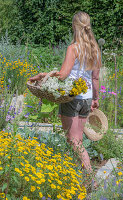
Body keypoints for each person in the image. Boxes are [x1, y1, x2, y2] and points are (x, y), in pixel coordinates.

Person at [29, 11, 102, 175]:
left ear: (74, 27)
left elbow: (63, 75)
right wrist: (95, 99)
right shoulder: (95, 50)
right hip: (86, 98)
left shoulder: (73, 48)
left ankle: (90, 178)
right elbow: (95, 78)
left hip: (72, 97)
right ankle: (79, 175)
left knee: (73, 140)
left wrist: (43, 76)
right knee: (78, 140)